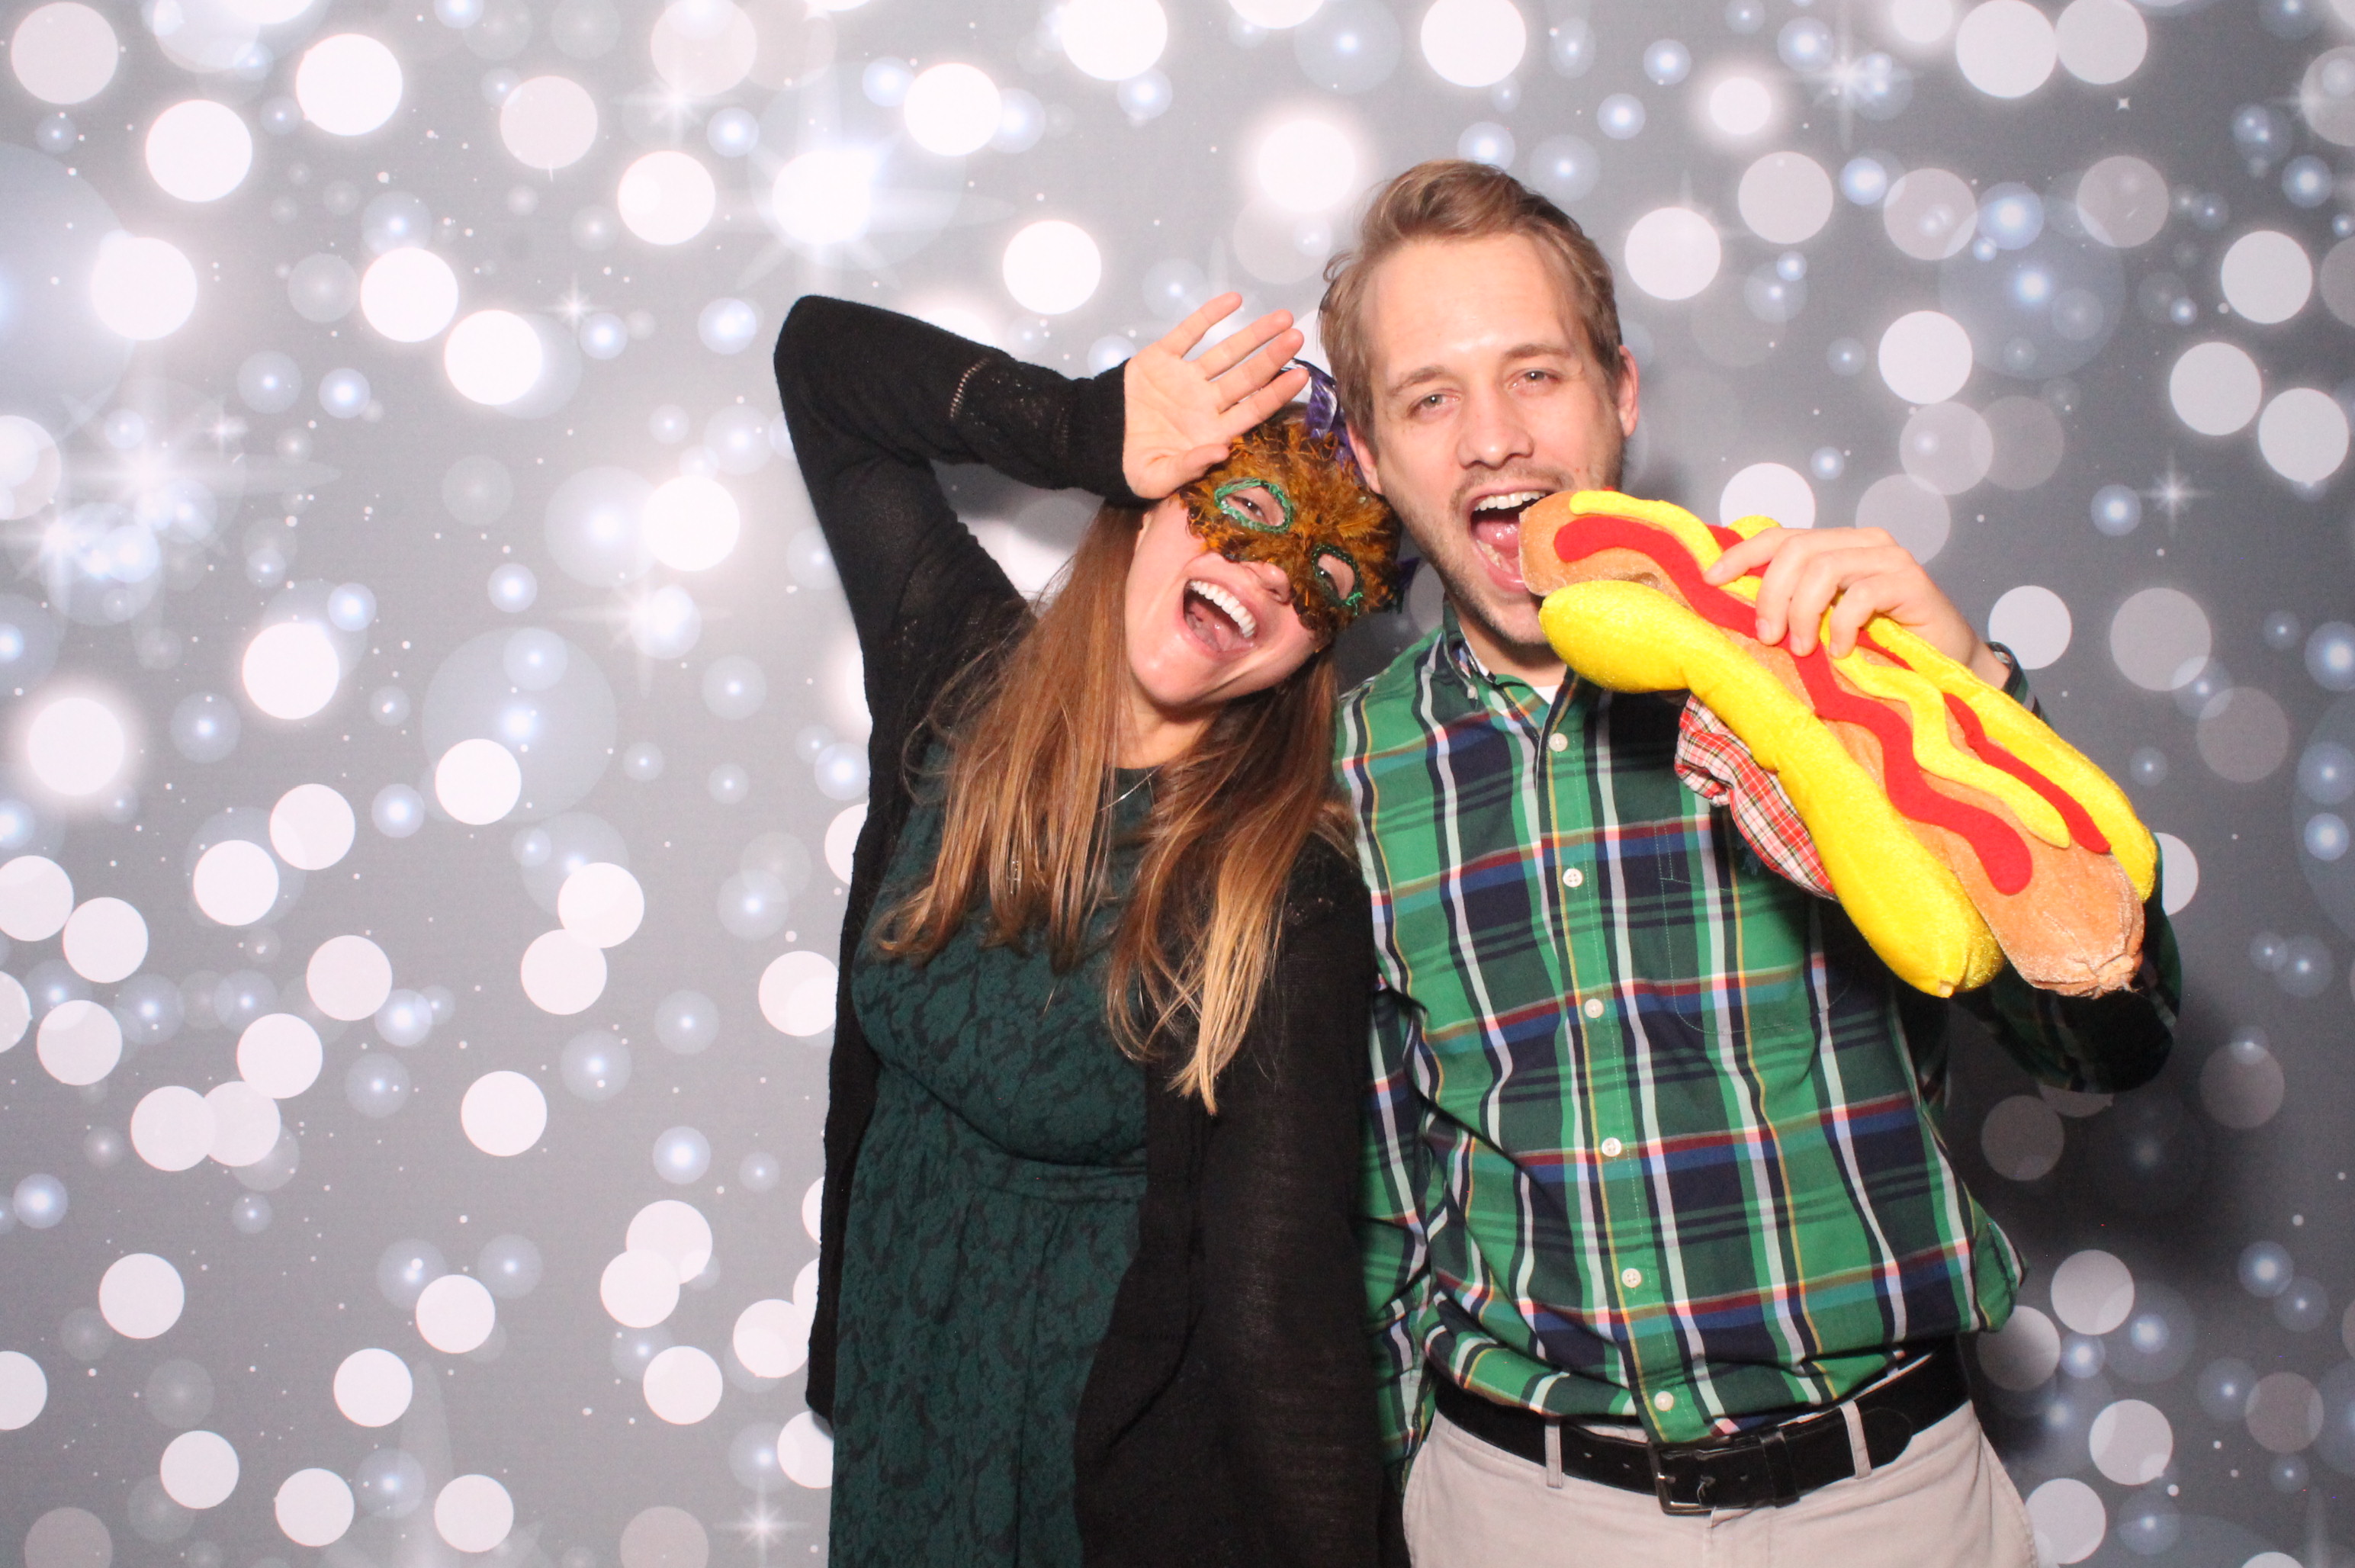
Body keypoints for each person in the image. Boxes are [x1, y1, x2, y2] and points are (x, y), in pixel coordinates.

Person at [1322, 160, 2180, 1566]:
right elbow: (1379, 1215)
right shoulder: (1350, 777)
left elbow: (2111, 1044)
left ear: (1622, 398)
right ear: (1368, 451)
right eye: (1429, 397)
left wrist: (1969, 698)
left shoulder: (1821, 664)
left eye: (1536, 375)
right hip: (1520, 1511)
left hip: (1888, 1506)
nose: (1492, 440)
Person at [773, 292, 1406, 1567]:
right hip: (904, 1424)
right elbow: (822, 365)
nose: (1263, 576)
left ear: (1320, 645)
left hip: (1105, 1487)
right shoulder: (959, 675)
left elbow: (1284, 1307)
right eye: (1243, 510)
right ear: (1153, 498)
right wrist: (1077, 424)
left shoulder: (1283, 892)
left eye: (1319, 580)